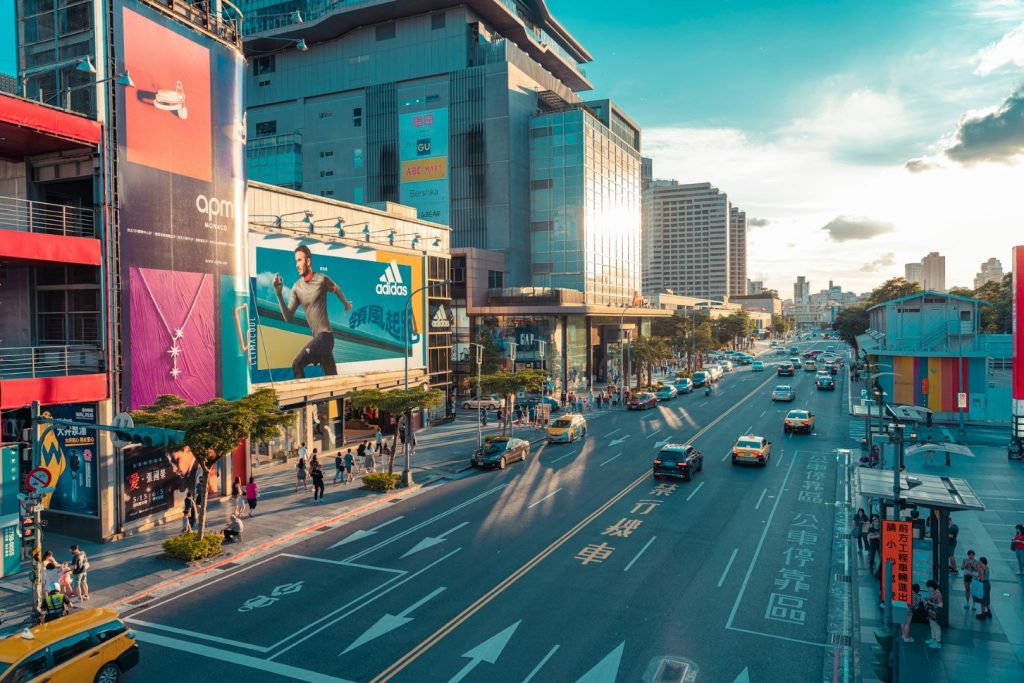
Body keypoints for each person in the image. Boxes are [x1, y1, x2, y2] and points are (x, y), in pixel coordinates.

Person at [273, 245, 353, 378]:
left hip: (326, 336)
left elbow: (336, 289)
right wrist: (279, 294)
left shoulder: (321, 279)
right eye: (296, 261)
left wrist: (346, 303)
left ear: (308, 261)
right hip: (319, 339)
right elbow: (288, 317)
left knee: (297, 364)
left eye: (300, 260)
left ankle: (303, 394)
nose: (297, 265)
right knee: (332, 379)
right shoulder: (297, 288)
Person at [925, 579, 943, 649]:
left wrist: (931, 603)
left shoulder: (938, 594)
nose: (928, 588)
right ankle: (933, 639)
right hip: (931, 611)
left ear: (932, 586)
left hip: (936, 612)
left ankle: (938, 642)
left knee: (936, 627)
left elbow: (941, 605)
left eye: (929, 587)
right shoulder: (933, 592)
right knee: (932, 626)